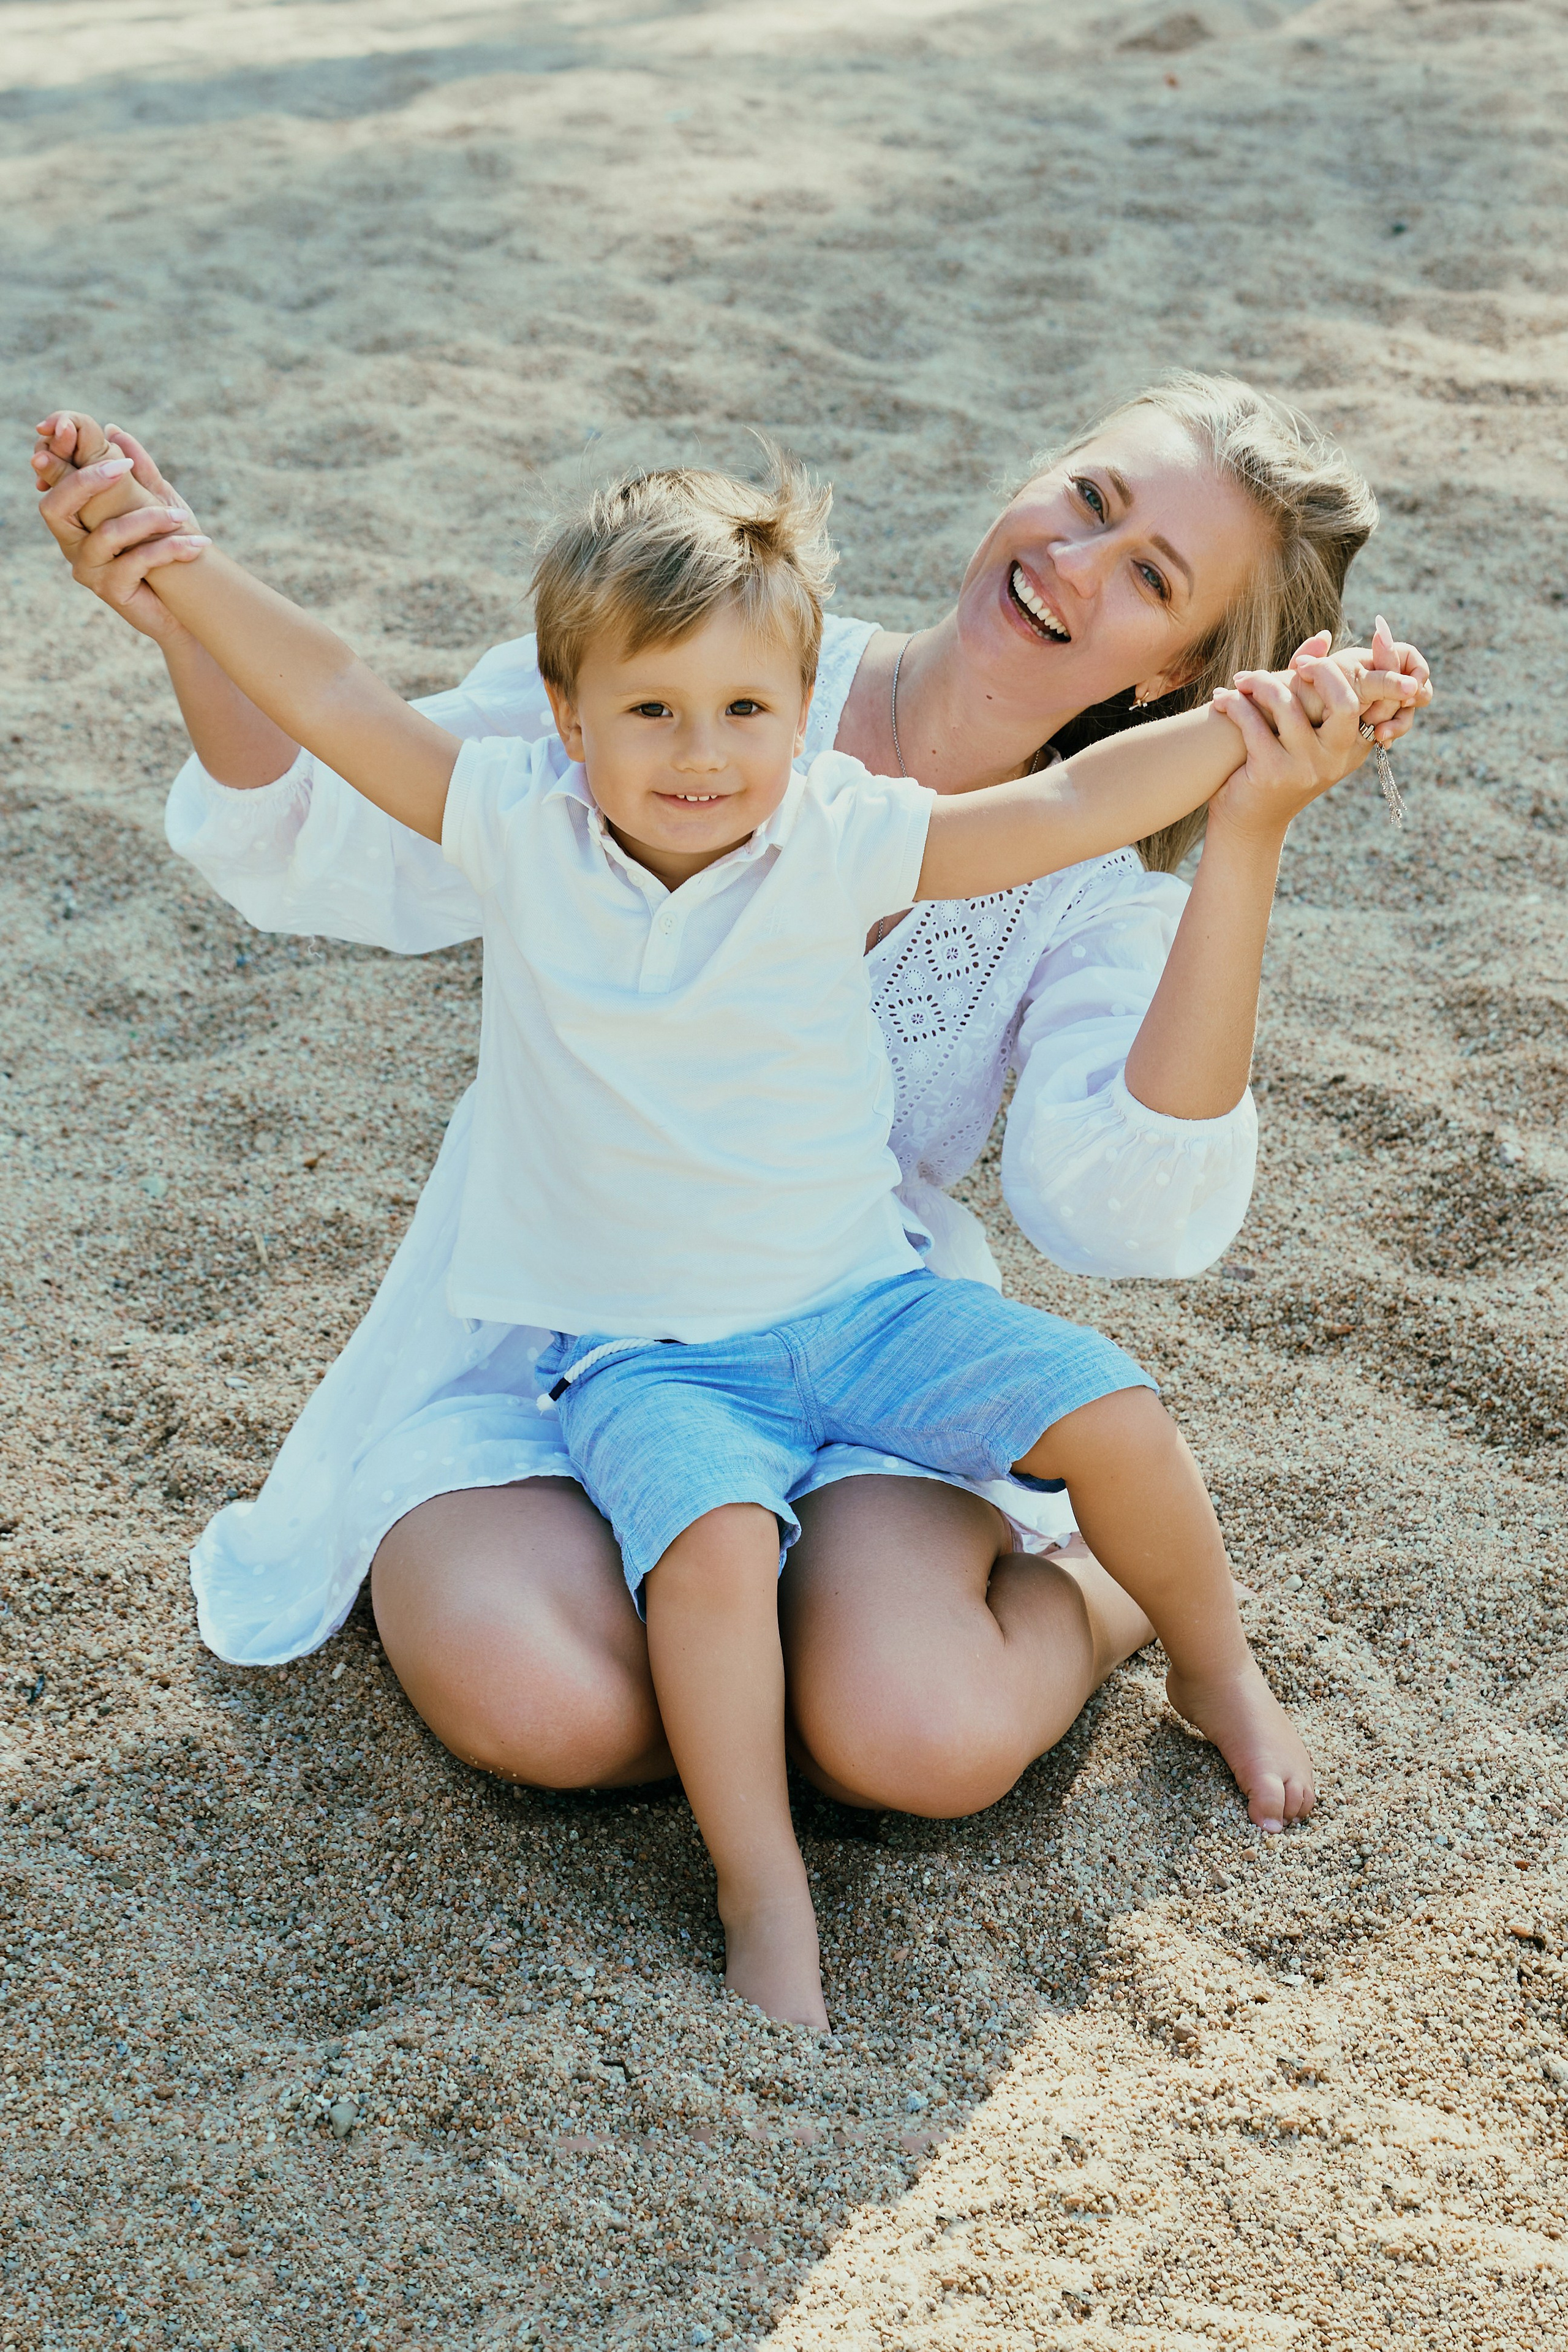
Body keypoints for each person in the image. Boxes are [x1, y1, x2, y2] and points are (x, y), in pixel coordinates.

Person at [32, 413, 1419, 2021]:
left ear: (1180, 668)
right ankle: (767, 1846)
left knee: (925, 1734)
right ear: (575, 720)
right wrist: (184, 590)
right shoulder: (671, 676)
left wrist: (1260, 776)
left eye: (1149, 571)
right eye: (1088, 499)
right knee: (556, 1704)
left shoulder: (886, 832)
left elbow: (1110, 1115)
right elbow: (336, 742)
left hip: (853, 1320)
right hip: (600, 1337)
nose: (1074, 559)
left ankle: (1154, 1630)